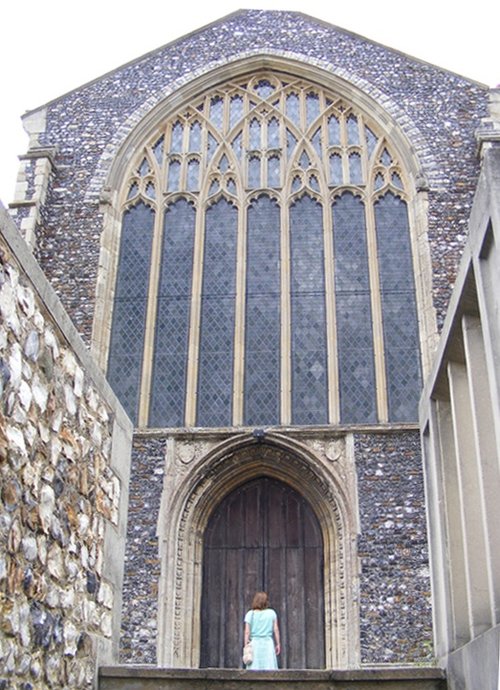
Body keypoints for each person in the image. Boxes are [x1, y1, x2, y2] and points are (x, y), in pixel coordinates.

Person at [243, 591, 281, 670]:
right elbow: (276, 629)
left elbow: (247, 632)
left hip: (255, 644)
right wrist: (278, 643)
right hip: (268, 643)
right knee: (269, 666)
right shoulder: (271, 613)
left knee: (254, 667)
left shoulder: (250, 614)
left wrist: (246, 644)